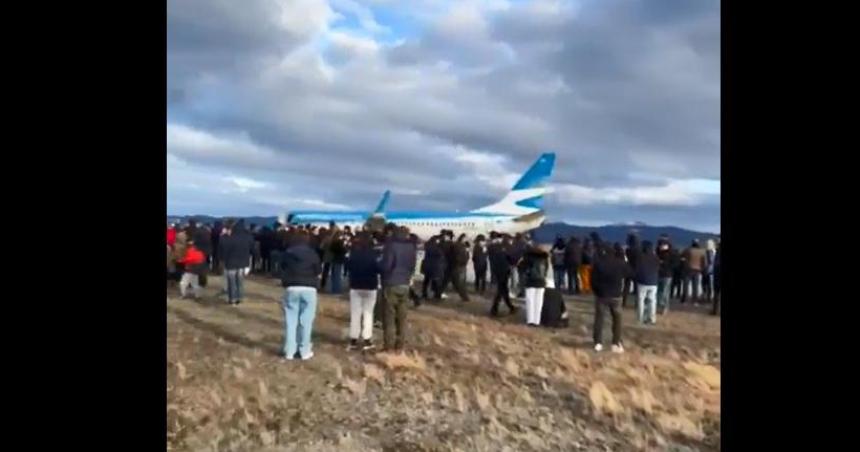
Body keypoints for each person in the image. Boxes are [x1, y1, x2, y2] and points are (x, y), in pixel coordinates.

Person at [279, 231, 322, 360]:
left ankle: (289, 350)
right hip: (309, 288)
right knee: (306, 321)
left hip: (291, 287)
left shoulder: (288, 253)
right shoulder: (313, 254)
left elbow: (282, 267)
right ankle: (304, 350)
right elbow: (318, 271)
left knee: (290, 320)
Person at [591, 244, 633, 353]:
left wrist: (597, 291)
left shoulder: (599, 264)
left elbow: (593, 280)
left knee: (599, 319)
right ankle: (615, 343)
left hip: (602, 295)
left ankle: (598, 343)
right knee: (617, 320)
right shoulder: (620, 263)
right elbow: (630, 273)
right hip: (616, 296)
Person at [380, 226, 417, 351]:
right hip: (405, 283)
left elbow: (386, 265)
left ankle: (388, 346)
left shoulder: (391, 246)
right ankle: (400, 346)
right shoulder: (411, 247)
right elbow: (412, 265)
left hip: (391, 283)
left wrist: (382, 271)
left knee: (389, 317)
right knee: (402, 317)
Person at [346, 232, 381, 351]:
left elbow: (348, 267)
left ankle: (353, 340)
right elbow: (378, 269)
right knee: (368, 313)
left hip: (355, 286)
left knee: (355, 313)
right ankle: (367, 339)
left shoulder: (353, 254)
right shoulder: (374, 255)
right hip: (370, 286)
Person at [219, 220, 255, 305]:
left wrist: (222, 259)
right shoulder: (248, 237)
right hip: (242, 262)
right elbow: (252, 249)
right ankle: (240, 297)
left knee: (231, 282)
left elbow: (223, 250)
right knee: (240, 281)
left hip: (230, 262)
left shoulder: (228, 238)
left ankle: (232, 298)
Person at [489, 233, 517, 316]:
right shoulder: (504, 247)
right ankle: (495, 309)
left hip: (497, 270)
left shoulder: (492, 247)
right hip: (503, 271)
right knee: (501, 290)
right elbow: (511, 258)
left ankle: (510, 307)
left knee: (503, 290)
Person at [522, 244, 549, 326]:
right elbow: (546, 270)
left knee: (530, 301)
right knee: (539, 302)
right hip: (541, 282)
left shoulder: (527, 258)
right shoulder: (545, 258)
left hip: (530, 282)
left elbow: (522, 268)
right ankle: (537, 320)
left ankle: (530, 320)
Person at [635, 241, 660, 324]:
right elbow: (658, 268)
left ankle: (640, 318)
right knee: (652, 301)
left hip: (642, 281)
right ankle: (652, 319)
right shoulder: (655, 257)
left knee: (641, 300)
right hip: (653, 282)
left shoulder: (640, 257)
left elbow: (637, 268)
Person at [682, 240, 707, 305]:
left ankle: (685, 300)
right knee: (695, 286)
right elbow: (704, 262)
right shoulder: (702, 251)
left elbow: (682, 257)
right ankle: (695, 301)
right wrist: (702, 269)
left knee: (686, 285)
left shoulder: (687, 250)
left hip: (688, 270)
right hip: (697, 270)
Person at [422, 235, 445, 301]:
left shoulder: (428, 246)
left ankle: (424, 293)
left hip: (427, 265)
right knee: (436, 281)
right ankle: (437, 295)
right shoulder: (436, 248)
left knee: (426, 280)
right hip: (434, 266)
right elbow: (440, 256)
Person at [656, 236, 674, 314]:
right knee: (659, 291)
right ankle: (661, 305)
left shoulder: (671, 253)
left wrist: (664, 264)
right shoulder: (657, 252)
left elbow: (674, 264)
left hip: (667, 274)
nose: (661, 246)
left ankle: (665, 307)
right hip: (659, 274)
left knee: (665, 292)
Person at [622, 233, 640, 308]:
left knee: (626, 286)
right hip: (636, 269)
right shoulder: (639, 250)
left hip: (628, 269)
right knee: (637, 288)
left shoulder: (628, 250)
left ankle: (624, 302)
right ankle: (637, 303)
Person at [711, 242, 720, 316]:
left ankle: (715, 311)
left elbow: (716, 264)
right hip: (717, 274)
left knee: (716, 293)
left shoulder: (718, 251)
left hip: (717, 275)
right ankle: (715, 310)